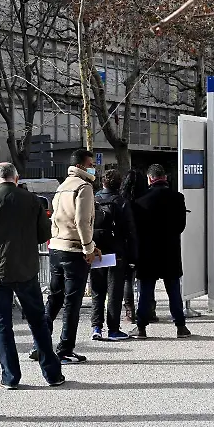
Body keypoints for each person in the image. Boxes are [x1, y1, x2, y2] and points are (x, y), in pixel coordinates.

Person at [0, 162, 65, 388]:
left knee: (2, 324)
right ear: (16, 179)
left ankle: (10, 377)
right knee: (37, 321)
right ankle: (52, 374)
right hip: (26, 268)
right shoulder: (32, 200)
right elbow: (43, 234)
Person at [42, 149, 100, 364]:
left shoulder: (62, 186)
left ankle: (40, 343)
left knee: (54, 299)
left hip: (56, 247)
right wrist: (89, 249)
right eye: (92, 163)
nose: (95, 167)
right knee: (72, 302)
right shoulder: (83, 187)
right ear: (84, 166)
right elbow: (83, 221)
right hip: (74, 249)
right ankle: (65, 349)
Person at [132, 164, 191, 338]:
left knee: (145, 291)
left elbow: (136, 228)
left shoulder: (140, 199)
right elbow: (181, 226)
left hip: (148, 251)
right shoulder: (177, 198)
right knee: (173, 289)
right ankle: (181, 326)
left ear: (149, 179)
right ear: (164, 177)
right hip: (170, 250)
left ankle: (141, 327)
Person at [90, 169, 138, 341]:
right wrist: (133, 257)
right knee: (114, 291)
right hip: (116, 252)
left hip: (96, 251)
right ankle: (113, 329)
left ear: (103, 183)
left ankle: (96, 327)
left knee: (97, 290)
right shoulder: (122, 202)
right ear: (119, 184)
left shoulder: (94, 199)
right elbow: (130, 232)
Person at [120, 169, 150, 324]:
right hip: (145, 242)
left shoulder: (123, 201)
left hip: (126, 244)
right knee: (146, 278)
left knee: (128, 279)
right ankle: (148, 308)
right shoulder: (146, 199)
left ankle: (129, 312)